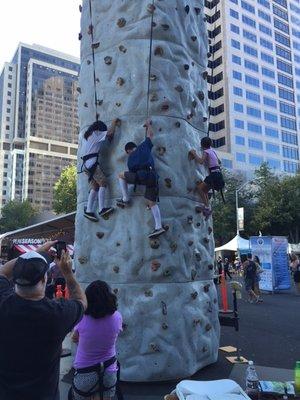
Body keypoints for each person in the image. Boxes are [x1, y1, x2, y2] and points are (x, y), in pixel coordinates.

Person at [0, 241, 87, 400]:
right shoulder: (57, 315)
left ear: (16, 279)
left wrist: (32, 254)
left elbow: (2, 273)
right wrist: (68, 273)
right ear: (44, 279)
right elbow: (81, 301)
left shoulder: (3, 303)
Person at [71, 280, 122, 400]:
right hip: (109, 371)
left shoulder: (81, 318)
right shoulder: (117, 317)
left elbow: (74, 338)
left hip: (85, 373)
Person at [117, 119, 165, 238]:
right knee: (152, 202)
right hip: (153, 177)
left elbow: (132, 177)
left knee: (121, 175)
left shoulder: (131, 157)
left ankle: (125, 198)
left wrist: (129, 189)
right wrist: (148, 125)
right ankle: (158, 227)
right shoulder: (144, 146)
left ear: (128, 151)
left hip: (141, 175)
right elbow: (150, 135)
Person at [82, 119, 120, 222]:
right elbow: (110, 132)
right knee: (103, 182)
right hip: (92, 164)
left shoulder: (87, 136)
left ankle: (89, 210)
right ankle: (102, 208)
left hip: (86, 165)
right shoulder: (96, 134)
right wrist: (113, 122)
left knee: (95, 186)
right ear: (99, 129)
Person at [189, 136, 225, 219]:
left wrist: (194, 153)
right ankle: (207, 208)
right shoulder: (212, 151)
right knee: (204, 190)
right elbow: (219, 161)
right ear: (210, 144)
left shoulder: (206, 152)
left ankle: (207, 208)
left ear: (202, 145)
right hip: (218, 174)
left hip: (214, 175)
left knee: (199, 189)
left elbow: (201, 161)